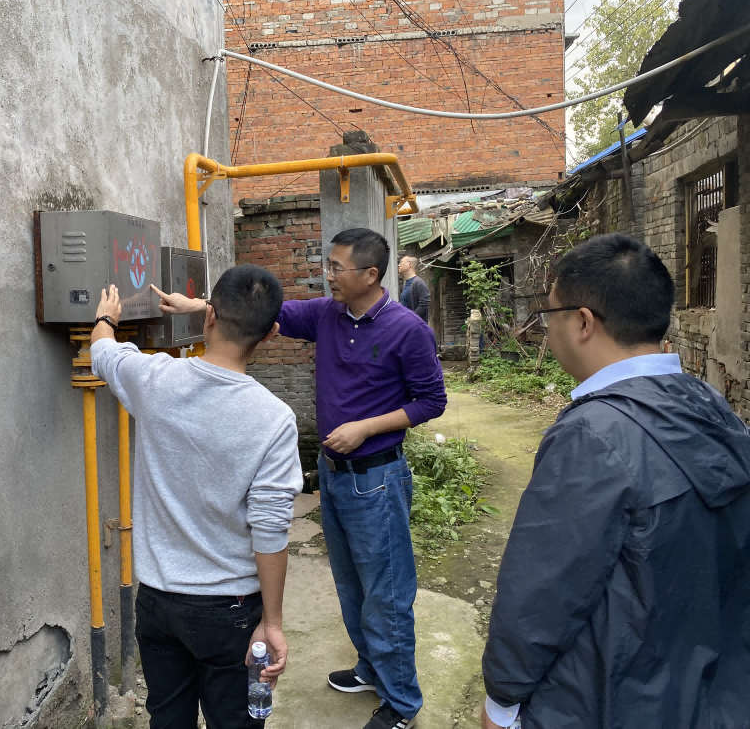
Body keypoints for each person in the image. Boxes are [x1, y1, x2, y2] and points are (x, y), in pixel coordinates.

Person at [156, 228, 447, 729]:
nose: (327, 275)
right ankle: (371, 668)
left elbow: (431, 400)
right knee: (351, 585)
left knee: (387, 595)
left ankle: (401, 704)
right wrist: (199, 305)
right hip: (334, 477)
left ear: (370, 275)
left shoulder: (407, 329)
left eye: (336, 268)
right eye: (328, 265)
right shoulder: (327, 314)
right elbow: (258, 312)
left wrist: (366, 428)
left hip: (377, 478)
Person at [480, 233, 750, 729]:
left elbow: (543, 592)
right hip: (702, 688)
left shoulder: (593, 434)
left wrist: (502, 698)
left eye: (550, 314)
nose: (548, 328)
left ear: (583, 322)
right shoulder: (710, 405)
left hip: (606, 697)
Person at [90, 264, 304, 729]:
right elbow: (270, 532)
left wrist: (106, 318)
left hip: (157, 602)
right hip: (231, 610)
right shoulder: (274, 419)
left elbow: (103, 351)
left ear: (209, 316)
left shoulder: (154, 379)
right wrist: (272, 623)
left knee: (168, 718)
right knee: (237, 721)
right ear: (270, 335)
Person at [397, 255, 430, 322]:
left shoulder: (419, 283)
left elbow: (424, 305)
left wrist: (411, 319)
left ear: (410, 264)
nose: (398, 265)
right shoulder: (406, 284)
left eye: (401, 262)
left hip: (414, 326)